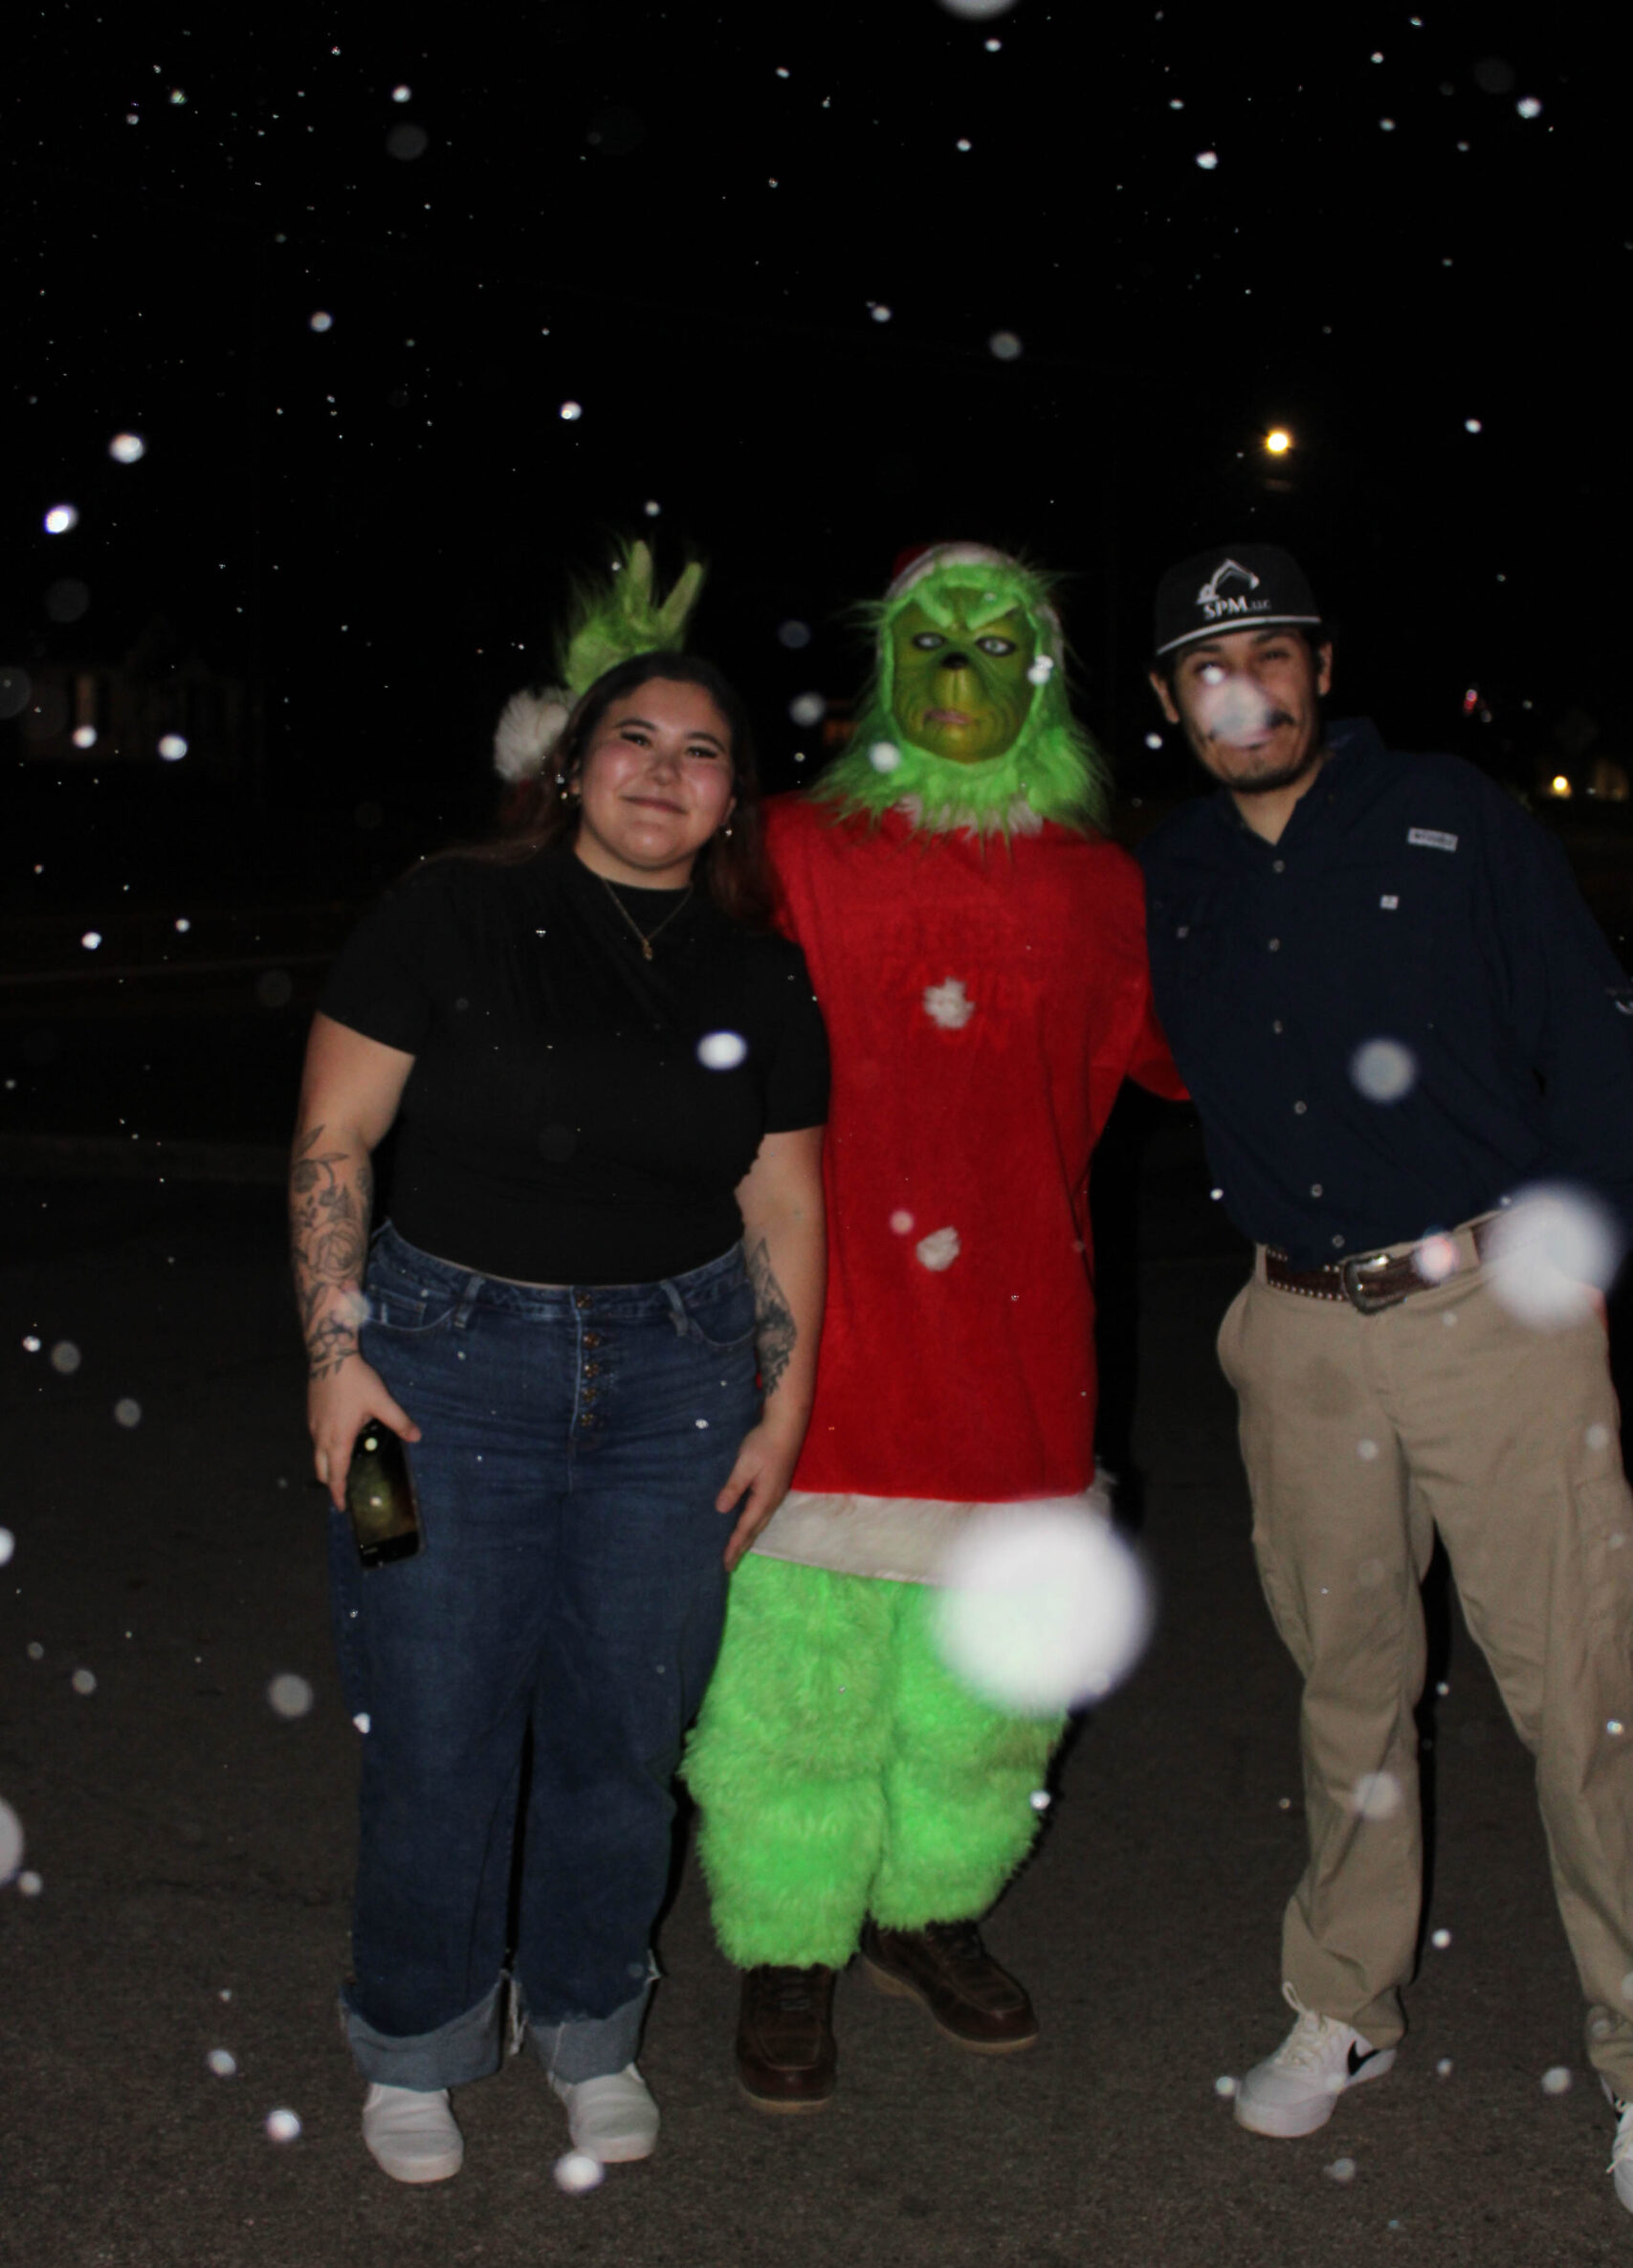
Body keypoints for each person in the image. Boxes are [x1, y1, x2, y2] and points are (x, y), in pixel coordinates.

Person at [292, 626, 828, 2184]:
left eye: (702, 751)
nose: (665, 771)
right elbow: (334, 1137)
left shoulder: (759, 970)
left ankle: (591, 2020)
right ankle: (417, 2034)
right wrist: (335, 1358)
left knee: (624, 1734)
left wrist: (781, 1410)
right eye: (635, 739)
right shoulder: (451, 909)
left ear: (732, 798)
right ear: (575, 763)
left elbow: (783, 1202)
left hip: (680, 1386)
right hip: (430, 1374)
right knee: (431, 1725)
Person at [1136, 540, 1633, 2211]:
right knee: (1345, 1679)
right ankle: (1346, 2001)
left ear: (1322, 669)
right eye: (1209, 669)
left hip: (1491, 1305)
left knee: (1582, 1690)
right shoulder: (1175, 870)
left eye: (1272, 654)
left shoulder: (1447, 815)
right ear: (1169, 701)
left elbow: (1595, 1030)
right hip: (1296, 1330)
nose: (1245, 692)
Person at [684, 541, 1183, 2109]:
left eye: (994, 639)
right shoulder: (786, 850)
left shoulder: (1103, 887)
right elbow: (608, 895)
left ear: (1046, 673)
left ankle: (926, 1910)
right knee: (795, 1688)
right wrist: (581, 726)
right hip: (820, 1347)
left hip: (1017, 1356)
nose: (959, 666)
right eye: (929, 639)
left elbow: (1221, 1045)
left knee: (988, 1693)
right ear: (886, 664)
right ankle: (788, 1939)